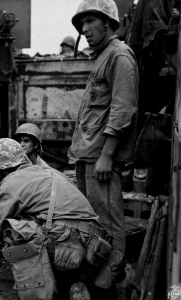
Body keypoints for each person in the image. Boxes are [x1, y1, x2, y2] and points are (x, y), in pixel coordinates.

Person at [0, 138, 112, 300]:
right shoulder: (49, 172)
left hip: (69, 241)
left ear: (1, 171)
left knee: (16, 233)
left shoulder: (11, 183)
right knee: (39, 224)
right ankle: (71, 285)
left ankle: (41, 294)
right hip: (97, 244)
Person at [68, 0, 138, 292]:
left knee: (109, 220)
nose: (84, 29)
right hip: (88, 154)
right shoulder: (101, 57)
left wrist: (107, 155)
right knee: (92, 220)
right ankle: (99, 274)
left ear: (107, 23)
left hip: (101, 156)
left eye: (89, 22)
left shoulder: (119, 56)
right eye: (81, 24)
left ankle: (113, 278)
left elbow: (123, 109)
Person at [0, 123, 49, 216]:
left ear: (35, 145)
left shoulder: (43, 170)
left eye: (26, 141)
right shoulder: (12, 161)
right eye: (19, 141)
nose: (21, 144)